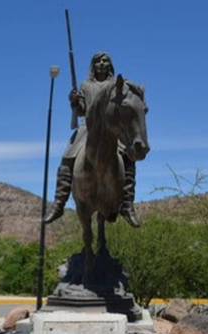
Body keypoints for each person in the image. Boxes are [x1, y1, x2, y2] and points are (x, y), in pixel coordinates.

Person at [43, 52, 141, 227]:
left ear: (110, 65)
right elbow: (81, 110)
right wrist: (74, 102)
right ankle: (59, 202)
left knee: (127, 156)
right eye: (98, 61)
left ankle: (127, 204)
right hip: (88, 128)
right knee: (68, 154)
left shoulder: (115, 86)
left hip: (110, 128)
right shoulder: (86, 85)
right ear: (93, 65)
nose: (102, 64)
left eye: (105, 61)